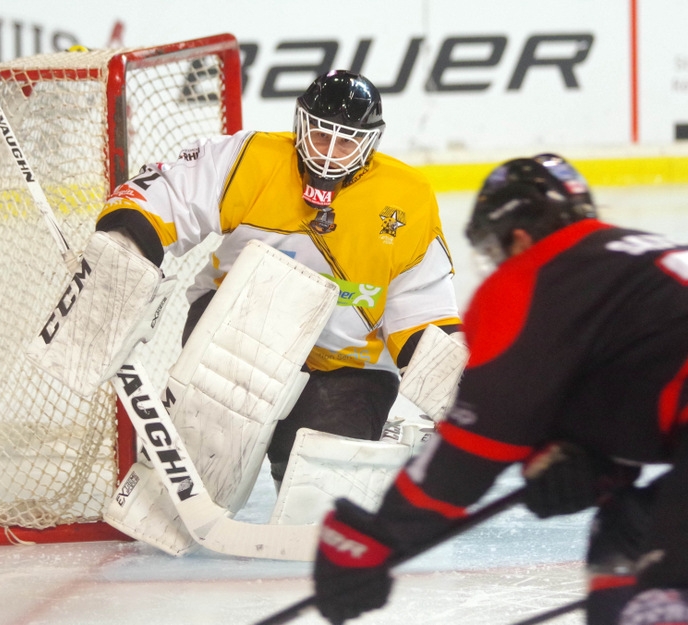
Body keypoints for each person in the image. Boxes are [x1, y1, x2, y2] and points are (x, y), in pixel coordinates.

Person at [312, 154, 688, 625]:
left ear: (520, 236)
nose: (497, 265)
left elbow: (471, 449)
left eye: (495, 250)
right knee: (630, 533)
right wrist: (589, 459)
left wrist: (378, 537)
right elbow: (645, 382)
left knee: (658, 585)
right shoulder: (631, 262)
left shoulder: (533, 277)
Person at [93, 70, 462, 487]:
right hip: (239, 327)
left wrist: (453, 392)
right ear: (301, 125)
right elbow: (172, 191)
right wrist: (126, 242)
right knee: (208, 460)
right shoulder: (253, 158)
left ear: (369, 143)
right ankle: (189, 458)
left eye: (346, 142)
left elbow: (420, 303)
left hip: (347, 362)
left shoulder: (407, 197)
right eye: (321, 136)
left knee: (320, 486)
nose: (329, 154)